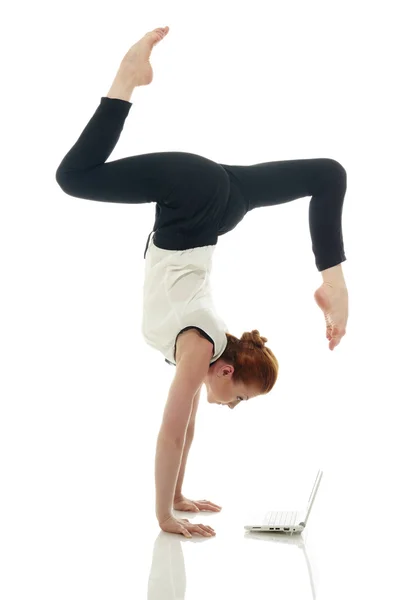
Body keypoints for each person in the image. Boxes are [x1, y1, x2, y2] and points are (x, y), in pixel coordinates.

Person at [55, 26, 349, 538]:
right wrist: (164, 517)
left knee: (327, 174)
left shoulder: (202, 344)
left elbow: (186, 427)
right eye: (240, 397)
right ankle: (127, 77)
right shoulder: (198, 344)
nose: (233, 406)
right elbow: (170, 434)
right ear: (226, 369)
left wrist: (179, 496)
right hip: (194, 197)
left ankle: (333, 282)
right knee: (74, 177)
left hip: (221, 198)